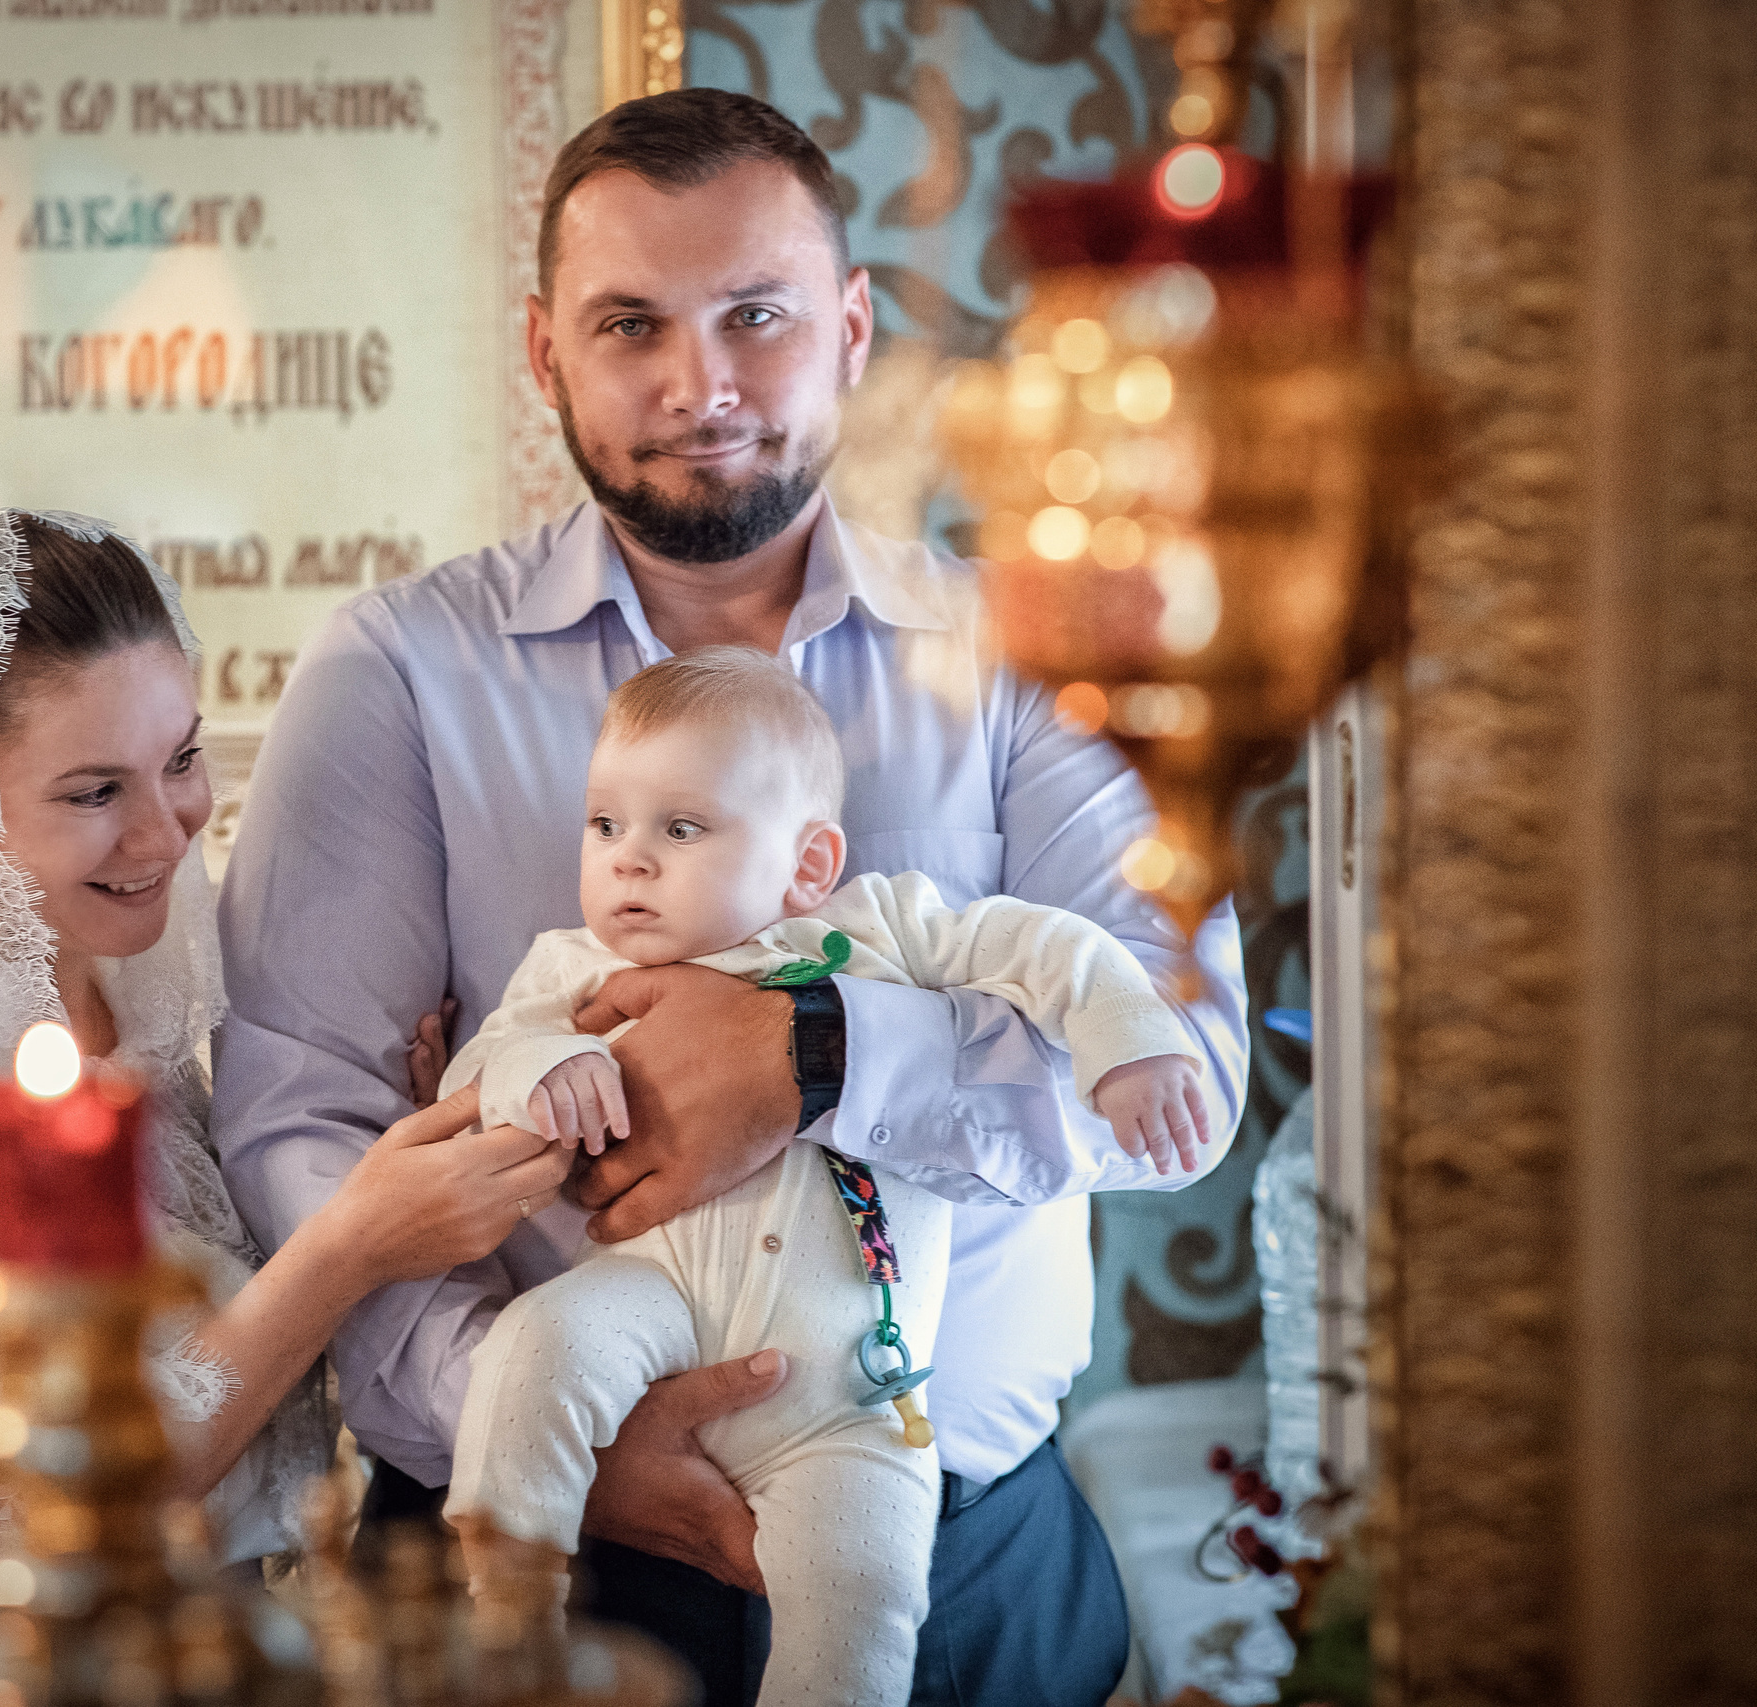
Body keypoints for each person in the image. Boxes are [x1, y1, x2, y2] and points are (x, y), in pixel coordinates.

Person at [214, 89, 1249, 1707]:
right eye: (632, 322)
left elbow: (1177, 1061)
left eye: (755, 316)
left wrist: (821, 1058)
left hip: (954, 1544)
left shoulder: (1033, 658)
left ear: (845, 327)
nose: (701, 385)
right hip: (514, 1549)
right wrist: (531, 1418)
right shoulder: (396, 677)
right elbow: (301, 1122)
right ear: (545, 353)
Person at [0, 509, 567, 1639]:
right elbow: (0, 1509)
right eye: (94, 793)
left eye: (180, 760)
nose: (165, 833)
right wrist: (348, 1246)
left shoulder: (136, 1020)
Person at [437, 647, 1208, 1704]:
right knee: (530, 1347)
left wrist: (1129, 1042)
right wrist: (542, 1068)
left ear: (806, 864)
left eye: (681, 827)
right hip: (645, 1309)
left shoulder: (871, 931)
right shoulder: (573, 969)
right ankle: (509, 1622)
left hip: (848, 1386)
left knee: (862, 1594)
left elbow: (1046, 946)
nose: (628, 861)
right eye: (605, 825)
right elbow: (478, 1074)